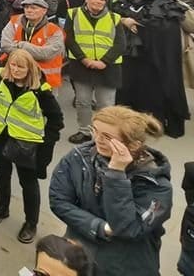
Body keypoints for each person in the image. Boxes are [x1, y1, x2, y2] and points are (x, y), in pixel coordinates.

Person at [49, 106, 172, 276]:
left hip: (126, 266)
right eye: (95, 131)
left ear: (134, 145)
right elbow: (58, 200)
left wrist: (116, 174)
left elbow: (128, 228)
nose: (97, 140)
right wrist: (99, 227)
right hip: (80, 256)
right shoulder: (79, 157)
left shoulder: (157, 185)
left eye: (107, 137)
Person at [0, 49, 63, 244]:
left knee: (28, 183)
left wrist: (45, 145)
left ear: (30, 69)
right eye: (12, 65)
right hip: (0, 136)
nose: (15, 70)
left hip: (26, 144)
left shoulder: (40, 90)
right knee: (2, 175)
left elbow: (56, 120)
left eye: (21, 67)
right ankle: (3, 207)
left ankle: (31, 223)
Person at [114, 0, 192, 137]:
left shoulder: (166, 3)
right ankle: (129, 124)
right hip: (129, 56)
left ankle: (154, 123)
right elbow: (111, 19)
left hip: (155, 56)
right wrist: (123, 21)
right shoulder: (125, 0)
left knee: (154, 91)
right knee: (128, 87)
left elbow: (167, 30)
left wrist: (144, 28)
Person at [65, 0, 126, 144]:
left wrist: (104, 61)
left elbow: (120, 44)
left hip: (108, 67)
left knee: (106, 104)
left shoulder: (114, 18)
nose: (98, 1)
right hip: (81, 65)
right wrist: (84, 59)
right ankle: (85, 131)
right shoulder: (73, 14)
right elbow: (69, 39)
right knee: (83, 101)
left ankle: (105, 134)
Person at [0, 0, 65, 89]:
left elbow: (45, 54)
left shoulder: (54, 31)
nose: (29, 10)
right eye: (26, 7)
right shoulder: (14, 22)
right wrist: (34, 51)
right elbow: (5, 45)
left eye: (33, 8)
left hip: (44, 81)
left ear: (44, 11)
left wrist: (22, 45)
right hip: (15, 77)